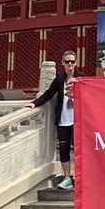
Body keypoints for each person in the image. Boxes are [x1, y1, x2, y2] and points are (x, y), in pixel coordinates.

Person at [35, 49, 79, 189]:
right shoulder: (59, 80)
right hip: (63, 120)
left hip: (77, 121)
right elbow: (48, 94)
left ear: (76, 63)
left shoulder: (81, 78)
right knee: (64, 149)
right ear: (63, 63)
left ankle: (79, 177)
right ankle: (67, 177)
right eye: (67, 62)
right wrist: (34, 103)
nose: (70, 64)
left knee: (79, 150)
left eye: (72, 61)